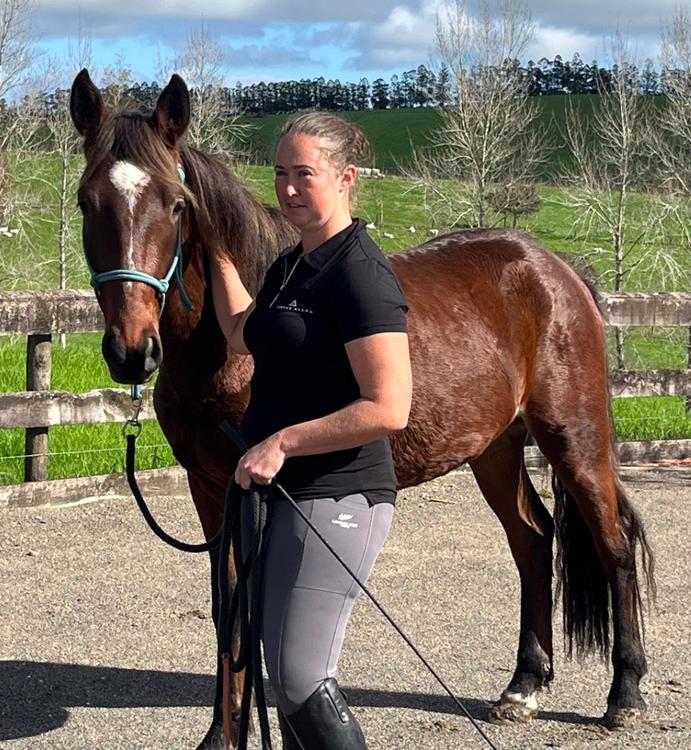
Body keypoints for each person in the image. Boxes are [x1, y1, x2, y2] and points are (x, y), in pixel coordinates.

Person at [209, 112, 412, 749]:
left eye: (304, 173)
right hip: (283, 497)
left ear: (346, 177)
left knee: (301, 678)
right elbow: (241, 332)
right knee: (282, 672)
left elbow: (389, 407)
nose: (289, 188)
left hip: (339, 492)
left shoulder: (360, 274)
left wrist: (283, 441)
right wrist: (215, 247)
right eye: (279, 174)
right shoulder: (291, 266)